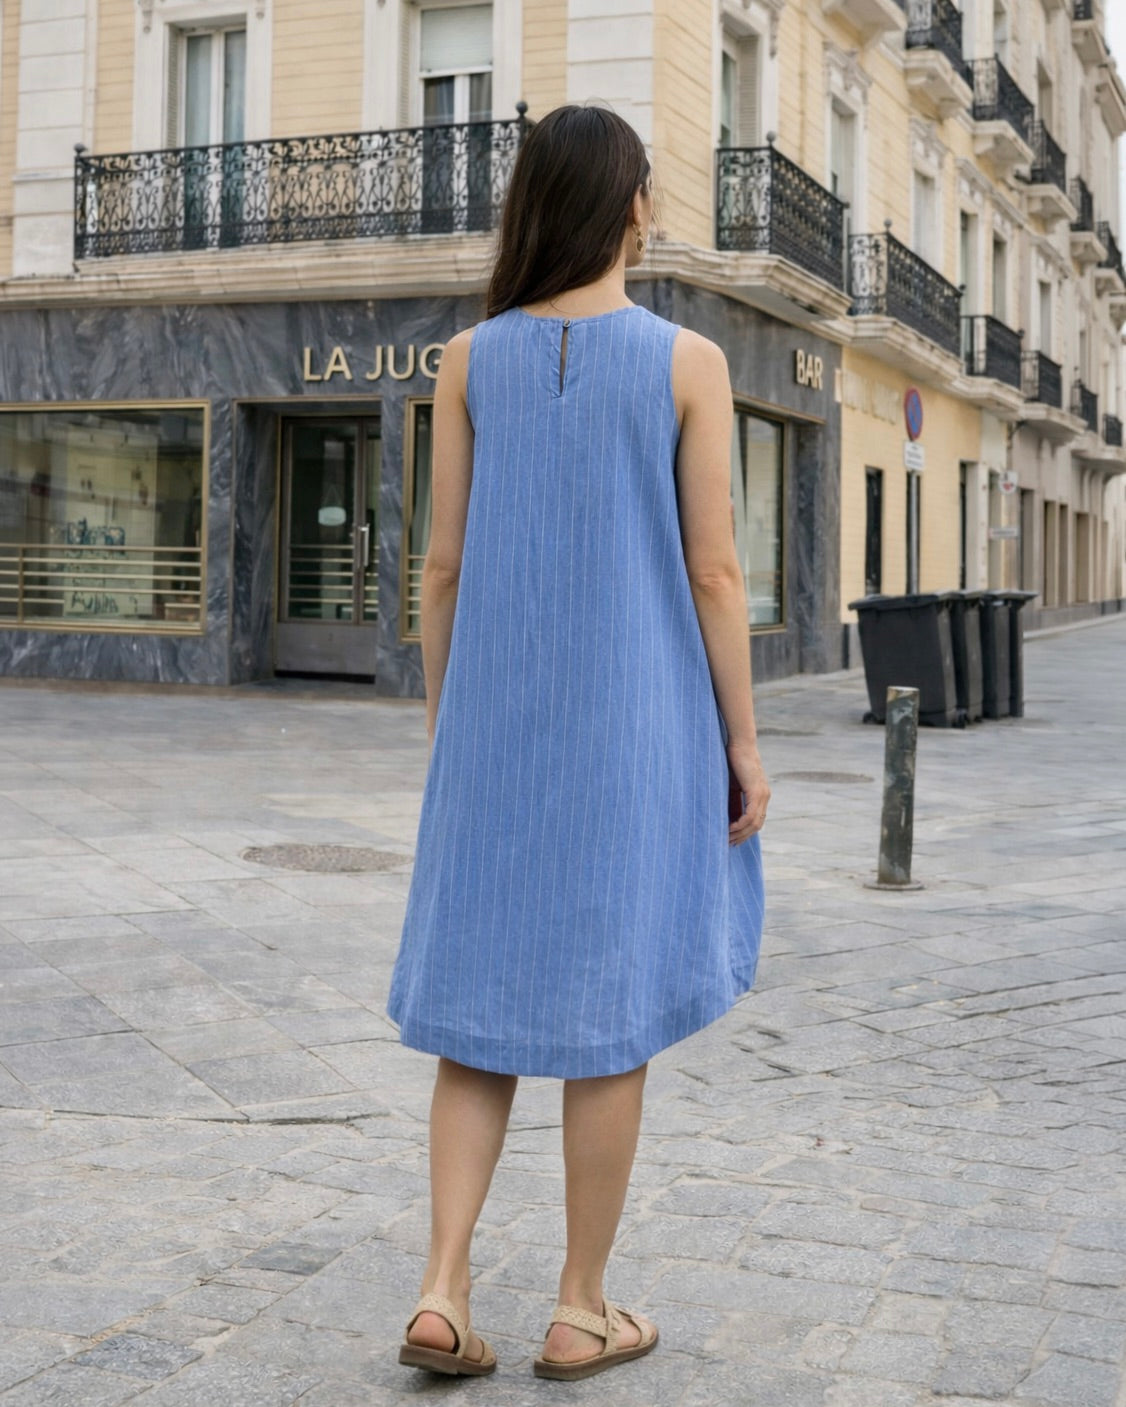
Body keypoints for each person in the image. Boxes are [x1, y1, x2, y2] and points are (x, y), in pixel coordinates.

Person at [387, 103, 769, 1382]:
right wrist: (745, 742)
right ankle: (579, 1306)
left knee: (476, 1019)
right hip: (636, 739)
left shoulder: (465, 359)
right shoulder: (686, 361)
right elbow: (715, 573)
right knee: (610, 1024)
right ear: (632, 210)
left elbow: (437, 571)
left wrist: (455, 724)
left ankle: (441, 1290)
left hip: (493, 739)